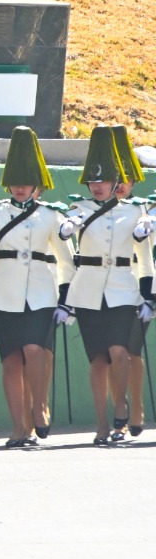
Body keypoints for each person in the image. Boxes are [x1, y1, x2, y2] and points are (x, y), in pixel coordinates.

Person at [0, 126, 75, 448]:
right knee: (11, 361)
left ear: (37, 185)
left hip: (40, 294)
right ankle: (19, 427)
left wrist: (66, 299)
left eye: (26, 182)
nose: (19, 187)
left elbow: (67, 260)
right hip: (3, 295)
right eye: (15, 182)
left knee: (35, 350)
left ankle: (39, 407)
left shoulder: (50, 215)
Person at [59, 125, 154, 446]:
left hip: (123, 290)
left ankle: (122, 407)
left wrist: (148, 297)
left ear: (116, 182)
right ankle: (102, 423)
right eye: (92, 181)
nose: (97, 186)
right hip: (87, 292)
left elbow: (145, 257)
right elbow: (65, 239)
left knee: (120, 351)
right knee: (98, 359)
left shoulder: (136, 211)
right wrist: (68, 227)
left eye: (103, 181)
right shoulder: (79, 209)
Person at [111, 125, 152, 437]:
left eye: (126, 178)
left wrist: (150, 296)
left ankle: (135, 407)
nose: (120, 184)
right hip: (108, 288)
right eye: (115, 177)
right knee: (112, 353)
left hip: (139, 286)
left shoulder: (145, 210)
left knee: (132, 350)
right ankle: (120, 408)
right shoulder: (95, 211)